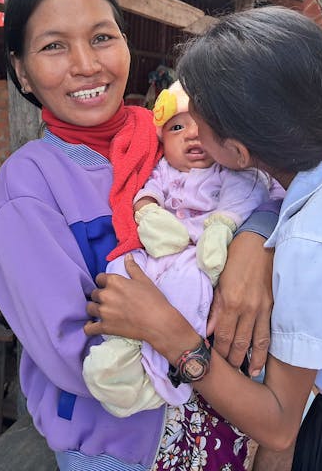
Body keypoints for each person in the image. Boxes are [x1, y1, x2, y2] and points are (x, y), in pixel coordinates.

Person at [85, 6, 322, 470]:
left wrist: (168, 333)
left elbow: (277, 424)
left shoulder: (317, 242)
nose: (189, 131)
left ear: (237, 151)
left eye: (198, 119)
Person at [0, 0, 282, 471]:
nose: (85, 64)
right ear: (22, 71)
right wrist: (184, 338)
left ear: (125, 43)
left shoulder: (178, 135)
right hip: (122, 447)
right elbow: (72, 354)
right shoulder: (30, 184)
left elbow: (271, 188)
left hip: (221, 426)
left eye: (101, 37)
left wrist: (253, 244)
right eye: (54, 46)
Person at [83, 81, 281, 418]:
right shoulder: (161, 168)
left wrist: (221, 225)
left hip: (199, 250)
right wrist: (147, 213)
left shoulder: (229, 170)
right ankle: (124, 351)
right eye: (177, 126)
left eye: (202, 125)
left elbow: (246, 194)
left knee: (189, 286)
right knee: (122, 269)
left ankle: (162, 371)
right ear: (161, 140)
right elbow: (146, 193)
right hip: (158, 248)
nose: (191, 134)